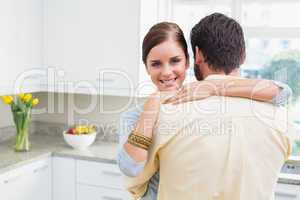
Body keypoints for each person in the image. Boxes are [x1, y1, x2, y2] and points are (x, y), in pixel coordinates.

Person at [118, 19, 292, 200]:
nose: (167, 72)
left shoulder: (176, 110)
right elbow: (131, 168)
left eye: (175, 60)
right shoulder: (279, 116)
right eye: (156, 64)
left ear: (192, 58)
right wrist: (152, 104)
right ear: (243, 55)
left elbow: (282, 91)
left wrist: (213, 87)